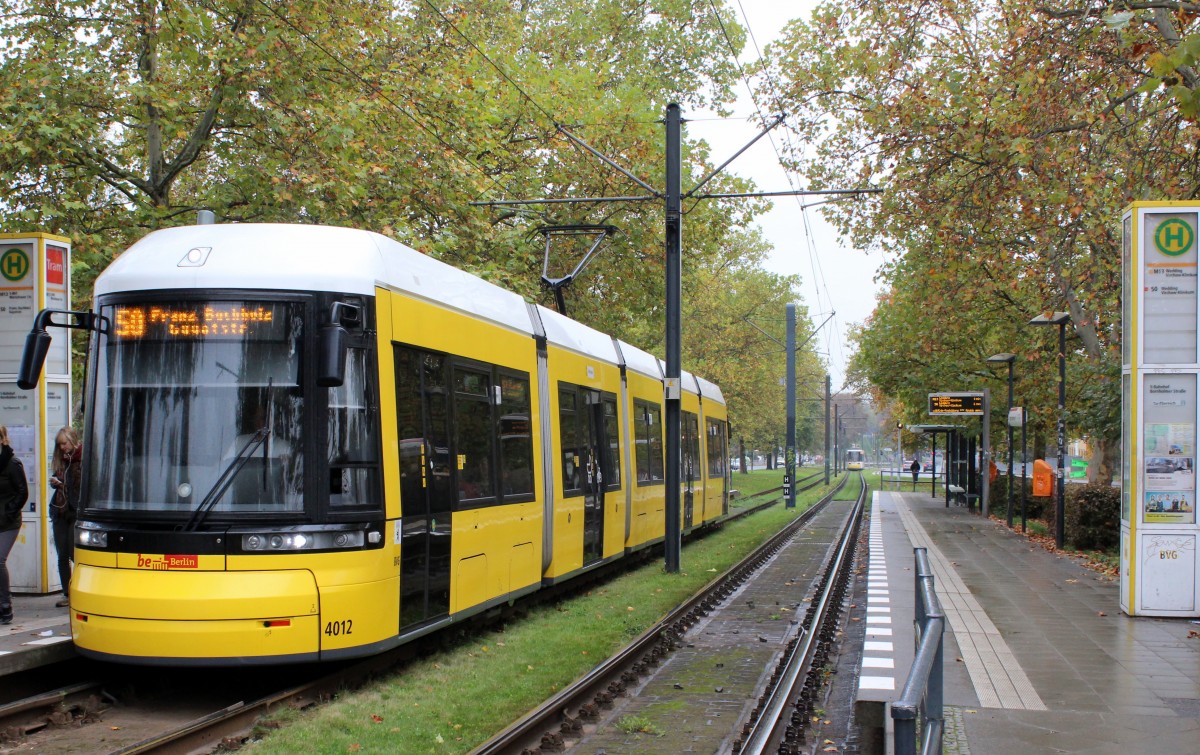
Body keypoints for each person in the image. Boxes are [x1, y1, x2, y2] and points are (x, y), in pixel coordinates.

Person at [49, 427, 82, 608]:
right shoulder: (61, 461)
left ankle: (79, 588)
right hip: (60, 510)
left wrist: (63, 485)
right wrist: (57, 483)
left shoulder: (81, 460)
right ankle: (67, 593)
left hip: (74, 510)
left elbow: (81, 487)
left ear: (72, 440)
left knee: (73, 552)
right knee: (62, 553)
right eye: (60, 444)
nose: (62, 447)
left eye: (65, 443)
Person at [1, 426, 29, 625]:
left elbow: (22, 492)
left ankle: (5, 605)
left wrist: (8, 511)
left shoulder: (12, 463)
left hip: (8, 521)